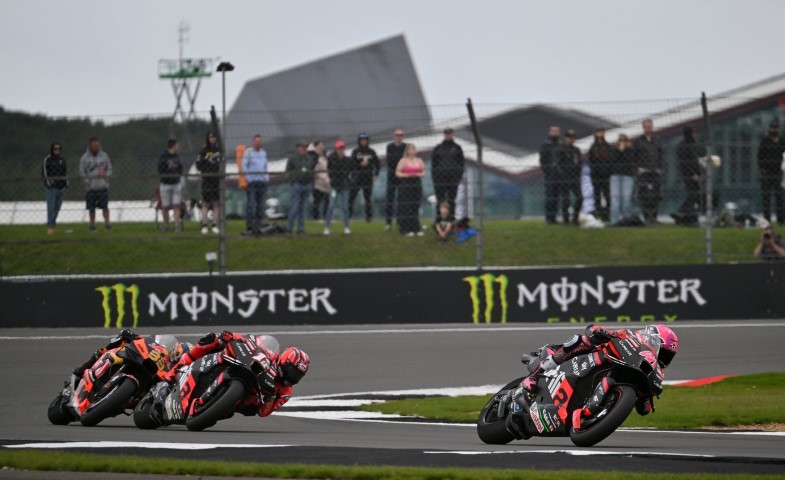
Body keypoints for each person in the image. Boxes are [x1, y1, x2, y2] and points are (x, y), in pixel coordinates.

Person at [520, 324, 679, 416]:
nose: (663, 358)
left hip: (608, 378)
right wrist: (601, 332)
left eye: (667, 356)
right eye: (663, 351)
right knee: (580, 340)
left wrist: (646, 398)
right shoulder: (629, 336)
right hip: (588, 359)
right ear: (652, 337)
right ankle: (536, 374)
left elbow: (642, 410)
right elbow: (593, 329)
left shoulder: (655, 372)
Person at [163, 331, 310, 418]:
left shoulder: (285, 392)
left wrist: (269, 398)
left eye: (297, 376)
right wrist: (230, 336)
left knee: (244, 410)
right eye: (293, 372)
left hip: (245, 396)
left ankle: (210, 406)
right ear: (285, 361)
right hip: (240, 363)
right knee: (212, 339)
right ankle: (174, 371)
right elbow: (250, 341)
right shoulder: (271, 355)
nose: (292, 378)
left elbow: (264, 413)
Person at [72, 328, 179, 382]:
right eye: (176, 353)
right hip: (137, 359)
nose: (176, 356)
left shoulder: (171, 369)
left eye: (179, 356)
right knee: (120, 342)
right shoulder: (156, 345)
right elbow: (141, 339)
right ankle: (84, 367)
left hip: (149, 379)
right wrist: (131, 335)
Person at [673, 126, 707, 226]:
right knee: (694, 194)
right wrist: (692, 174)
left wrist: (700, 173)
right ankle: (681, 211)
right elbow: (684, 163)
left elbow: (698, 160)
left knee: (695, 195)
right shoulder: (683, 146)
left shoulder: (694, 145)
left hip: (696, 173)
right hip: (688, 175)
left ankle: (689, 217)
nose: (695, 135)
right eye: (693, 133)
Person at [634, 119, 664, 225]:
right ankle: (647, 217)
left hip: (655, 171)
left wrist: (660, 168)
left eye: (650, 126)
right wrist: (637, 168)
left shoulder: (658, 139)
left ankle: (654, 217)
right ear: (643, 128)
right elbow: (634, 156)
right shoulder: (638, 141)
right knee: (644, 195)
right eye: (646, 126)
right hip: (643, 171)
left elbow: (661, 154)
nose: (648, 128)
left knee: (656, 195)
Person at [79, 137, 113, 232]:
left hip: (103, 186)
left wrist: (106, 178)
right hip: (91, 188)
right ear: (90, 146)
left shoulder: (104, 156)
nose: (97, 147)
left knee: (105, 207)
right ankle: (92, 225)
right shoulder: (84, 158)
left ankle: (107, 224)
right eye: (95, 146)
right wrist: (87, 183)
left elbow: (109, 168)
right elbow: (82, 172)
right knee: (91, 208)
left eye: (98, 145)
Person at [431, 128, 465, 221]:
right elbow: (433, 164)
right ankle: (439, 219)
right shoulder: (438, 148)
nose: (448, 135)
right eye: (446, 133)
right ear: (444, 134)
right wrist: (435, 177)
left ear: (452, 134)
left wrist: (458, 176)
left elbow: (461, 163)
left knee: (451, 200)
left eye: (449, 133)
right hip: (440, 179)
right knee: (440, 200)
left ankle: (451, 219)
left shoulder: (457, 148)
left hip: (453, 179)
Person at [756, 120, 785, 225]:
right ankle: (767, 219)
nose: (774, 130)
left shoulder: (782, 141)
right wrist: (763, 169)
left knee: (779, 197)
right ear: (770, 129)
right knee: (766, 198)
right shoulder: (765, 141)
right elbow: (760, 156)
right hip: (767, 173)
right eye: (772, 128)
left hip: (779, 172)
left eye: (775, 128)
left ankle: (781, 220)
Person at [286, 140, 316, 235]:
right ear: (298, 147)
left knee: (303, 209)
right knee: (294, 207)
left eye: (305, 147)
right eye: (302, 146)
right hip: (297, 184)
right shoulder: (292, 158)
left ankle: (301, 229)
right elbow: (288, 171)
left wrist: (311, 182)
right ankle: (289, 228)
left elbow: (312, 170)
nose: (304, 148)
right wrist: (292, 181)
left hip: (307, 184)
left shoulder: (310, 158)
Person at [324, 140, 354, 235]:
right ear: (336, 149)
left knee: (345, 207)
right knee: (331, 206)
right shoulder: (331, 158)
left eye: (342, 148)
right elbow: (328, 170)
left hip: (344, 186)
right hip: (334, 187)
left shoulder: (347, 160)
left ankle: (346, 227)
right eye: (338, 148)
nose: (340, 150)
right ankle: (327, 227)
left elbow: (350, 171)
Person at [242, 135, 270, 235]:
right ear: (253, 142)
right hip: (252, 181)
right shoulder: (248, 152)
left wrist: (266, 178)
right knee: (251, 204)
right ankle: (250, 225)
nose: (258, 144)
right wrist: (248, 178)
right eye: (257, 142)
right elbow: (244, 166)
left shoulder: (263, 153)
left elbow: (265, 166)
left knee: (260, 204)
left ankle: (259, 224)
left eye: (260, 142)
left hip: (261, 182)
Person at [395, 143, 425, 236]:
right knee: (406, 207)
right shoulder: (403, 160)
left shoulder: (419, 160)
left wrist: (419, 174)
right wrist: (406, 175)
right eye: (410, 149)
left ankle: (416, 228)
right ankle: (405, 229)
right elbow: (397, 172)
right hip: (406, 184)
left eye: (413, 149)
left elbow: (423, 171)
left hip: (416, 184)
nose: (412, 151)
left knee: (415, 206)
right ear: (407, 151)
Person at [349, 133, 380, 222]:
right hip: (357, 178)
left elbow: (377, 164)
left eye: (365, 140)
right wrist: (360, 164)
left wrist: (376, 174)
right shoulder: (355, 151)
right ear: (359, 141)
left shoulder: (371, 152)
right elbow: (351, 164)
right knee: (352, 197)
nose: (363, 142)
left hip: (368, 178)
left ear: (367, 141)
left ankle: (369, 218)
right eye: (362, 140)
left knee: (368, 198)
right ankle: (349, 216)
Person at [196, 131, 222, 234]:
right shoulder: (203, 150)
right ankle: (204, 225)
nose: (213, 139)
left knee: (216, 203)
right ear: (208, 138)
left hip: (216, 179)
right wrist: (206, 167)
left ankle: (215, 225)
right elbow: (198, 164)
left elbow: (222, 162)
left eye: (214, 137)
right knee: (205, 203)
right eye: (211, 137)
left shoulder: (219, 150)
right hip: (206, 179)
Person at [556, 129, 583, 225]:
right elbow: (557, 164)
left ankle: (575, 218)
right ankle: (566, 219)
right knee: (565, 199)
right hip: (564, 178)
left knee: (580, 197)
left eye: (572, 137)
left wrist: (577, 174)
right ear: (565, 138)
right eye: (569, 137)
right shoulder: (560, 149)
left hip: (575, 178)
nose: (571, 139)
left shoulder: (576, 150)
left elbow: (580, 163)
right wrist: (562, 174)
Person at [609, 134, 636, 224]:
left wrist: (625, 150)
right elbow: (613, 160)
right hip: (616, 176)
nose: (622, 143)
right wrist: (619, 150)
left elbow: (629, 161)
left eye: (624, 141)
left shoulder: (631, 150)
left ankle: (627, 219)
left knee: (626, 199)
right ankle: (614, 221)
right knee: (615, 199)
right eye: (620, 141)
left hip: (627, 176)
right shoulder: (613, 150)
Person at [157, 138, 184, 232]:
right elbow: (160, 169)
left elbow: (180, 168)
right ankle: (165, 225)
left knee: (177, 205)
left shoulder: (177, 156)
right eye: (177, 145)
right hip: (165, 184)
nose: (178, 147)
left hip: (176, 183)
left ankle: (177, 225)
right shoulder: (163, 156)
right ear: (173, 145)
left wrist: (177, 175)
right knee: (165, 206)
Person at [42, 142, 68, 234]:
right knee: (51, 208)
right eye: (55, 149)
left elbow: (65, 172)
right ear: (52, 149)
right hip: (51, 188)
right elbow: (45, 173)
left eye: (59, 148)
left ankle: (53, 225)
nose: (57, 150)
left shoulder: (62, 160)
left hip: (61, 187)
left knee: (57, 208)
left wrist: (66, 183)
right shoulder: (47, 159)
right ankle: (50, 227)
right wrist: (49, 184)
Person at [588, 127, 613, 220]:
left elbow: (611, 160)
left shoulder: (608, 147)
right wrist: (595, 170)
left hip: (606, 175)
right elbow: (591, 161)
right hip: (596, 175)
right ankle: (598, 212)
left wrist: (608, 170)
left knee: (607, 194)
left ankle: (608, 213)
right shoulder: (593, 147)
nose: (600, 134)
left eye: (601, 132)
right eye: (598, 132)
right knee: (597, 195)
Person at [384, 129, 407, 231]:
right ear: (394, 136)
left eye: (401, 135)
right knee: (390, 200)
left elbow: (406, 160)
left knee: (401, 200)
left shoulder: (405, 147)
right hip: (392, 176)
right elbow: (390, 161)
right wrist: (399, 165)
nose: (399, 137)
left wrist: (401, 167)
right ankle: (388, 223)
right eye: (397, 135)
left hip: (402, 176)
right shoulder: (390, 147)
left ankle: (399, 222)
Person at [539, 126, 561, 224]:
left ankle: (554, 218)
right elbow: (542, 159)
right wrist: (547, 170)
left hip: (559, 174)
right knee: (550, 196)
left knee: (556, 196)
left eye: (557, 131)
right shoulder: (545, 144)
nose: (555, 132)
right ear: (550, 132)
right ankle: (548, 218)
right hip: (550, 174)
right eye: (553, 131)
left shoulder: (561, 144)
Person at [310, 140, 331, 221]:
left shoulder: (326, 157)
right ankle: (316, 218)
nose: (322, 147)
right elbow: (314, 169)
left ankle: (326, 217)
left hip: (327, 184)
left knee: (327, 202)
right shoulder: (313, 157)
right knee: (317, 202)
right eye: (320, 146)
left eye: (322, 146)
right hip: (317, 184)